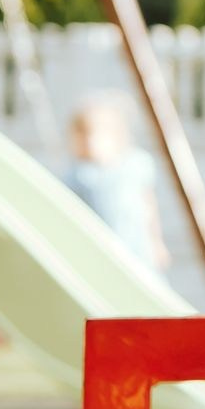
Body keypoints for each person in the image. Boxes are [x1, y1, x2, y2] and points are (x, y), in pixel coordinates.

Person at [62, 93, 168, 278]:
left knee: (146, 279)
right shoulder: (79, 176)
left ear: (115, 135)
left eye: (92, 134)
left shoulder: (135, 164)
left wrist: (157, 242)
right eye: (80, 136)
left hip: (136, 245)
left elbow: (148, 203)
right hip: (102, 251)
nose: (87, 142)